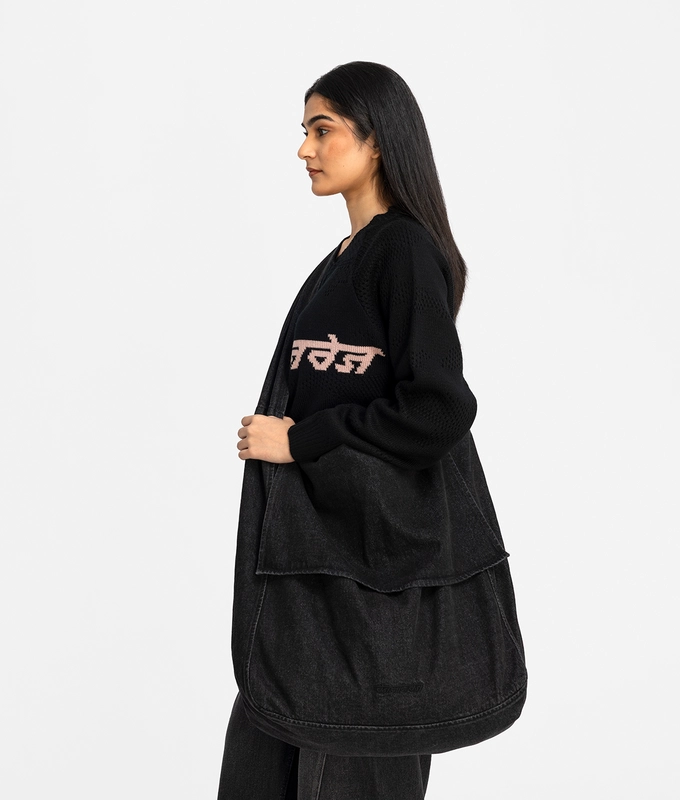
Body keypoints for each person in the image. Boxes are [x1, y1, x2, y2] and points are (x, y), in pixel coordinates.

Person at [217, 61, 522, 799]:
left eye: (323, 130)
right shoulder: (342, 263)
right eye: (304, 131)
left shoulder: (405, 252)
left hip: (377, 607)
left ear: (377, 140)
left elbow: (437, 409)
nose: (305, 149)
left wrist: (299, 441)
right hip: (317, 587)